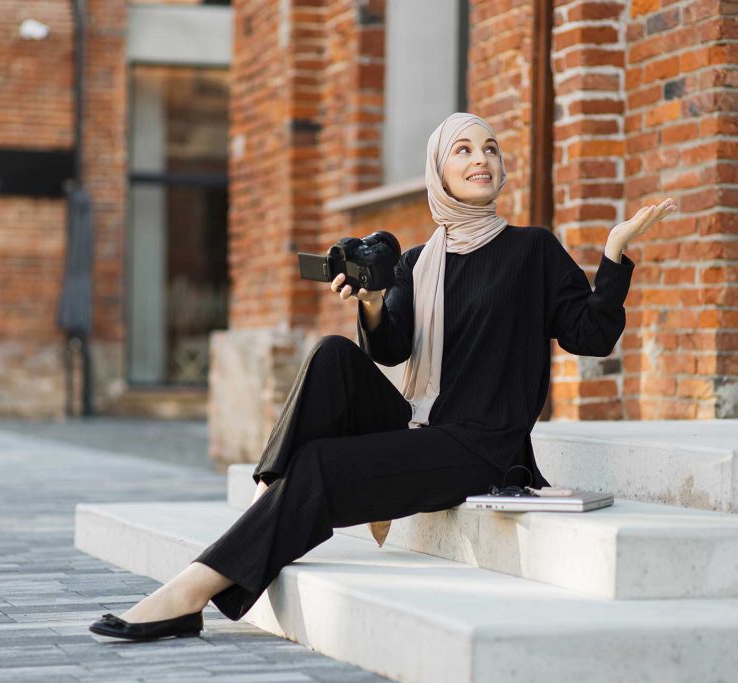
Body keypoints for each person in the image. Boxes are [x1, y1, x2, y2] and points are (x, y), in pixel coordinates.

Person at [89, 112, 677, 641]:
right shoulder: (417, 262)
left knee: (319, 465)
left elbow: (591, 335)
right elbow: (389, 347)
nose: (481, 160)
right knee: (331, 353)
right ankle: (271, 494)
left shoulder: (533, 251)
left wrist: (616, 254)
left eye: (491, 149)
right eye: (463, 150)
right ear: (439, 172)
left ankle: (189, 592)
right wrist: (369, 299)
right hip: (422, 422)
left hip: (483, 446)